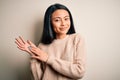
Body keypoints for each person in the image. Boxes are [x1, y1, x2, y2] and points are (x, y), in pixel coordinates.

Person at [15, 3, 86, 80]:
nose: (63, 23)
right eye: (57, 20)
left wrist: (48, 59)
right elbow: (38, 78)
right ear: (50, 23)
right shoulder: (42, 46)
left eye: (66, 19)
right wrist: (34, 56)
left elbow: (79, 72)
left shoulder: (77, 39)